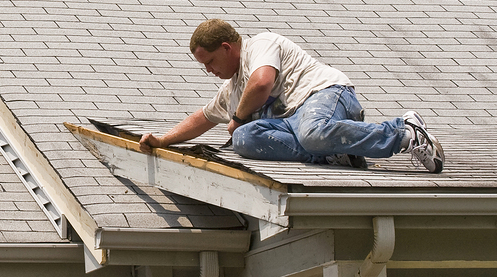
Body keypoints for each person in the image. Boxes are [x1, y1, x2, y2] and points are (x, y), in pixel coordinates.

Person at [139, 19, 445, 173]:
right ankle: (333, 152)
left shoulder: (261, 44)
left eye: (209, 62)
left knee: (309, 131)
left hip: (326, 95)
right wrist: (163, 141)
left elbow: (261, 83)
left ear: (227, 48)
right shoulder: (231, 91)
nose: (208, 70)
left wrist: (237, 118)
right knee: (244, 140)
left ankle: (404, 133)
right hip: (297, 124)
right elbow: (202, 119)